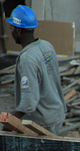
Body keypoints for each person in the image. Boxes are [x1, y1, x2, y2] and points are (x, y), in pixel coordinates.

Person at [7, 5, 65, 134]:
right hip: (56, 114)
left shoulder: (28, 59)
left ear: (19, 31)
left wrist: (9, 122)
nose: (10, 32)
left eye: (12, 28)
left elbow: (29, 103)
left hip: (41, 123)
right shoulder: (46, 46)